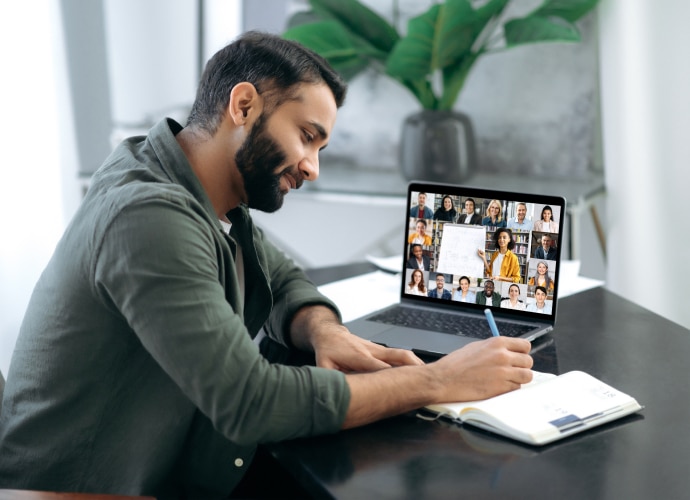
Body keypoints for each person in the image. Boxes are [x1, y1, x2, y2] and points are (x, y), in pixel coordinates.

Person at [0, 32, 534, 497]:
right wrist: (438, 381)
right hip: (77, 488)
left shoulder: (194, 185)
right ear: (244, 105)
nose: (312, 167)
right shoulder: (149, 217)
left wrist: (324, 332)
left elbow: (281, 278)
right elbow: (250, 402)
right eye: (306, 136)